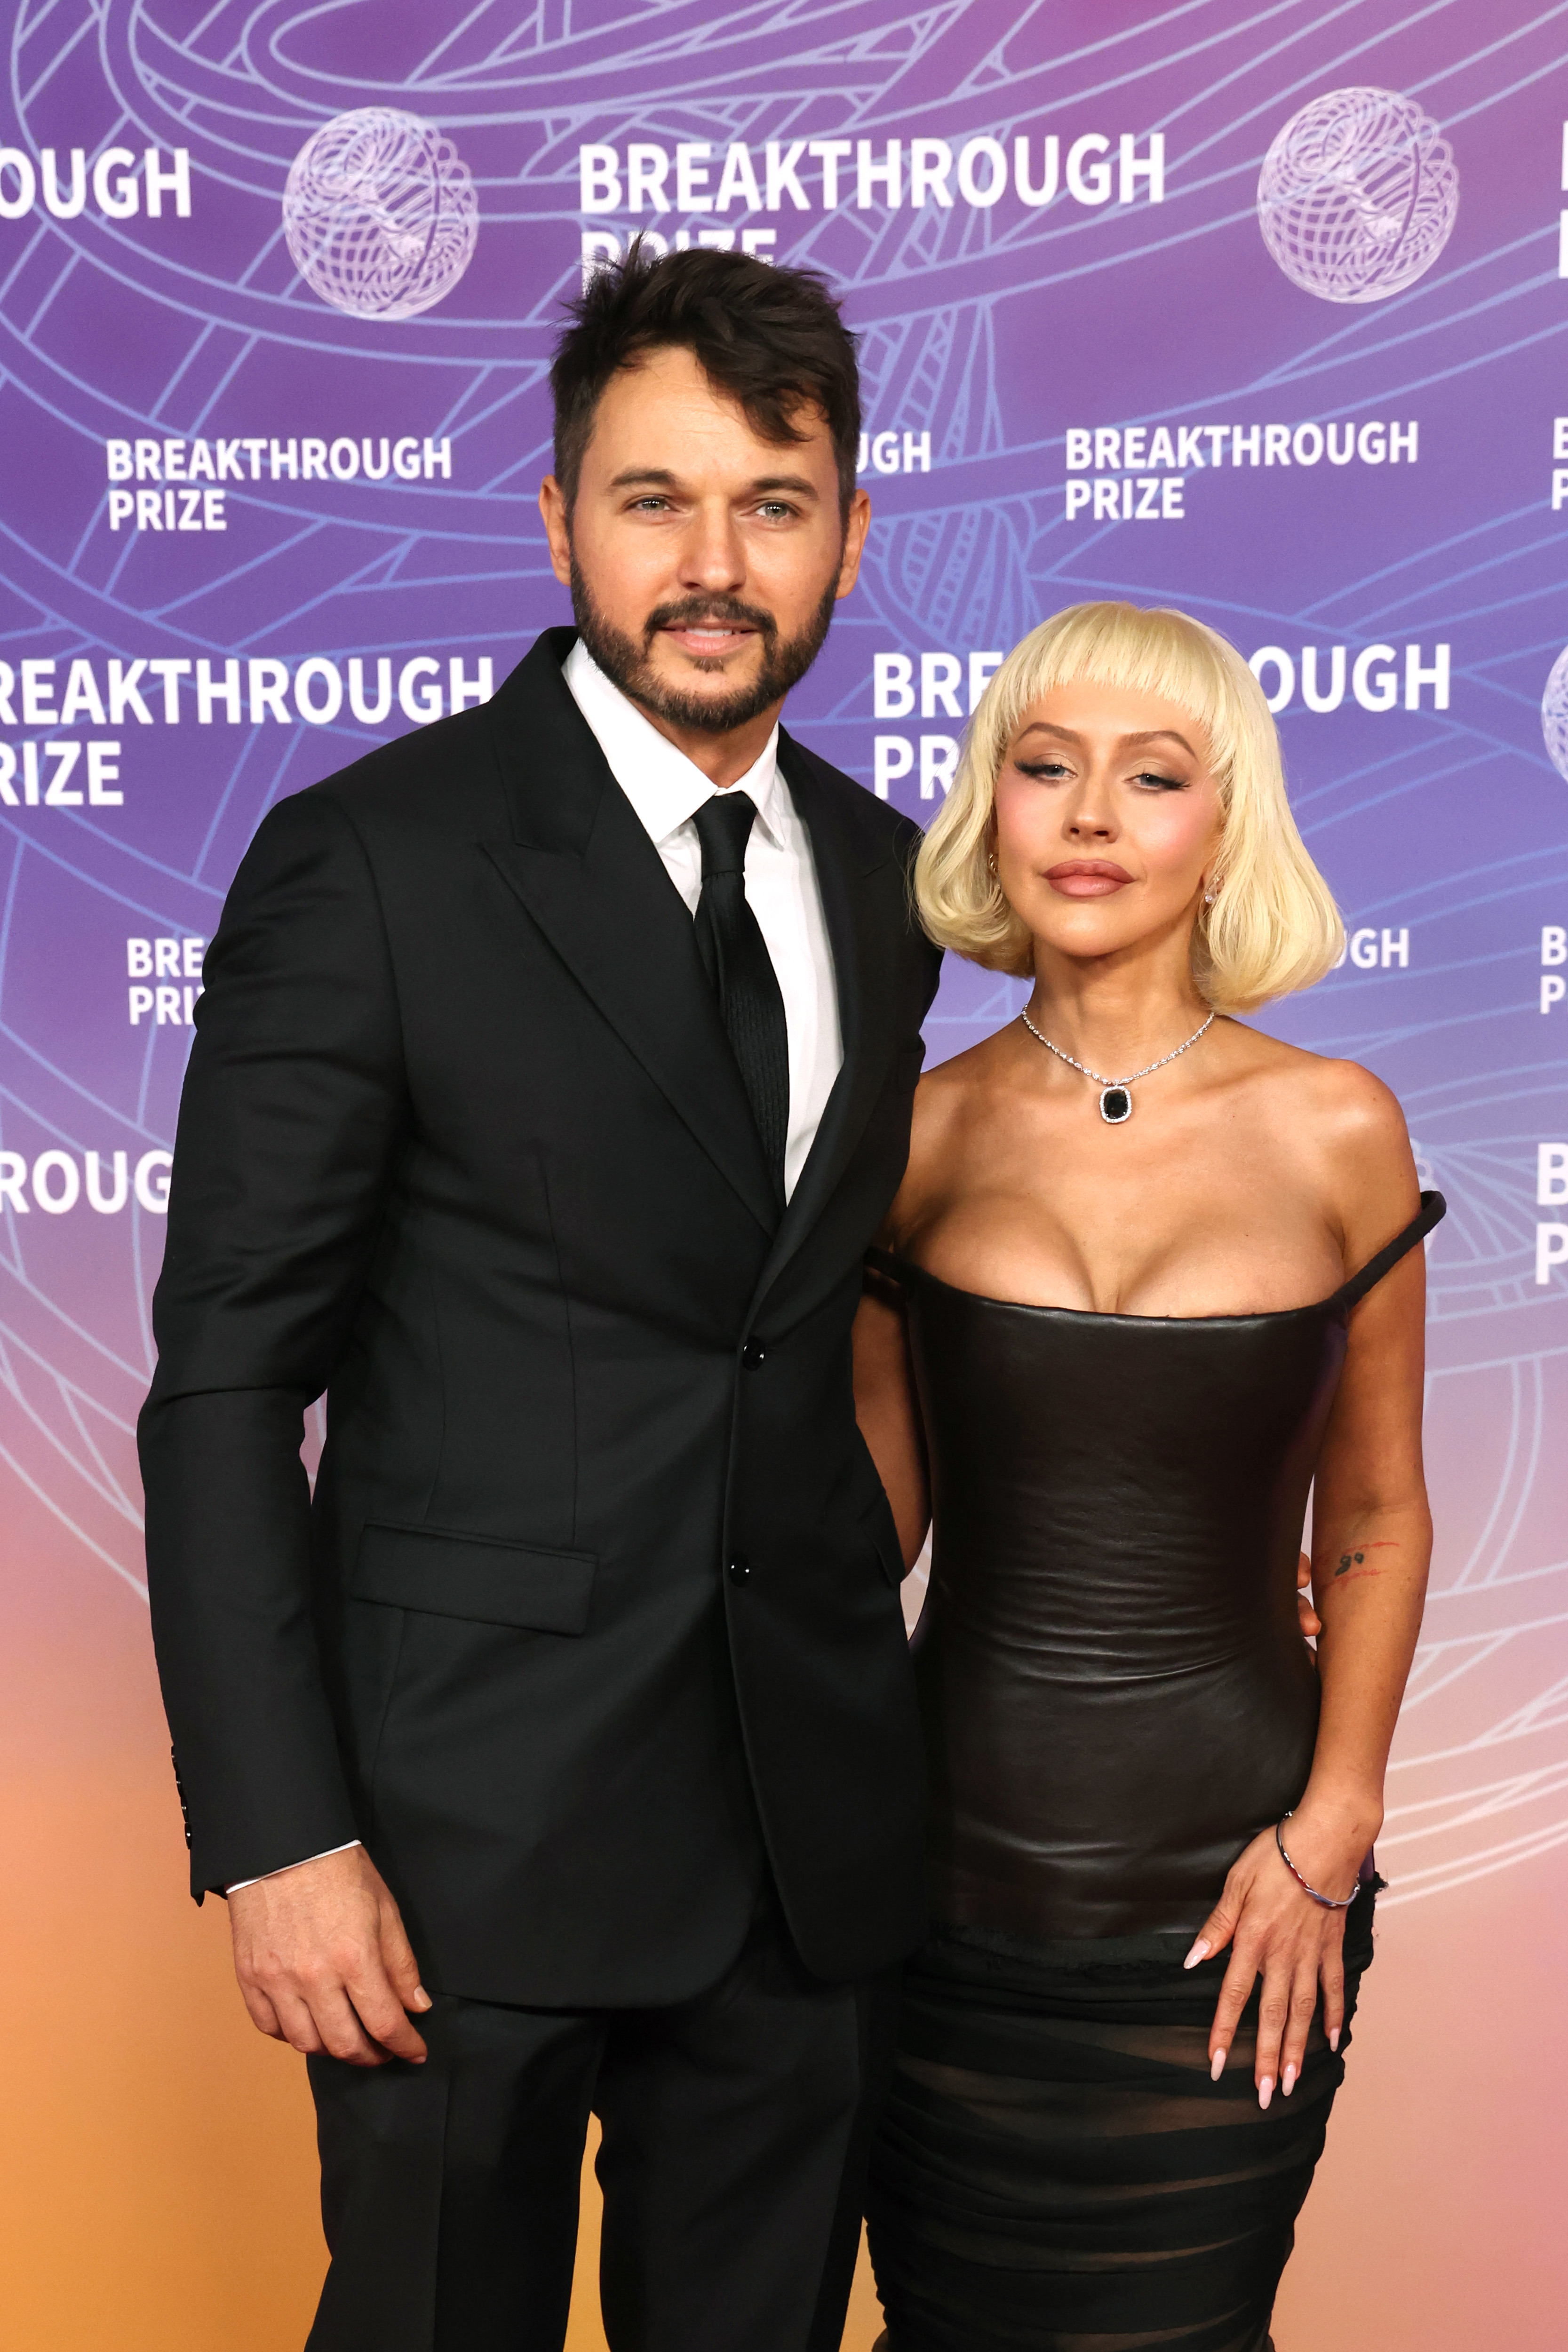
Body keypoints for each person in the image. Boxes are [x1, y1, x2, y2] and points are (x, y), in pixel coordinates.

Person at [138, 245, 942, 2352]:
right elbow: (225, 1386)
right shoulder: (376, 860)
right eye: (653, 498)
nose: (713, 561)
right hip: (452, 1857)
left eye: (772, 504)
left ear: (851, 535)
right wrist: (279, 1833)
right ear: (558, 517)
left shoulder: (887, 877)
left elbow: (820, 1326)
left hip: (803, 1851)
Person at [853, 601, 1439, 2352]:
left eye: (1151, 776)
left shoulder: (1341, 1124)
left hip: (1242, 1891)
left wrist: (1332, 1835)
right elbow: (861, 1531)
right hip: (934, 1893)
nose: (1091, 815)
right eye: (1047, 768)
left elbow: (1385, 1516)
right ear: (994, 812)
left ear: (1222, 830)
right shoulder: (911, 1130)